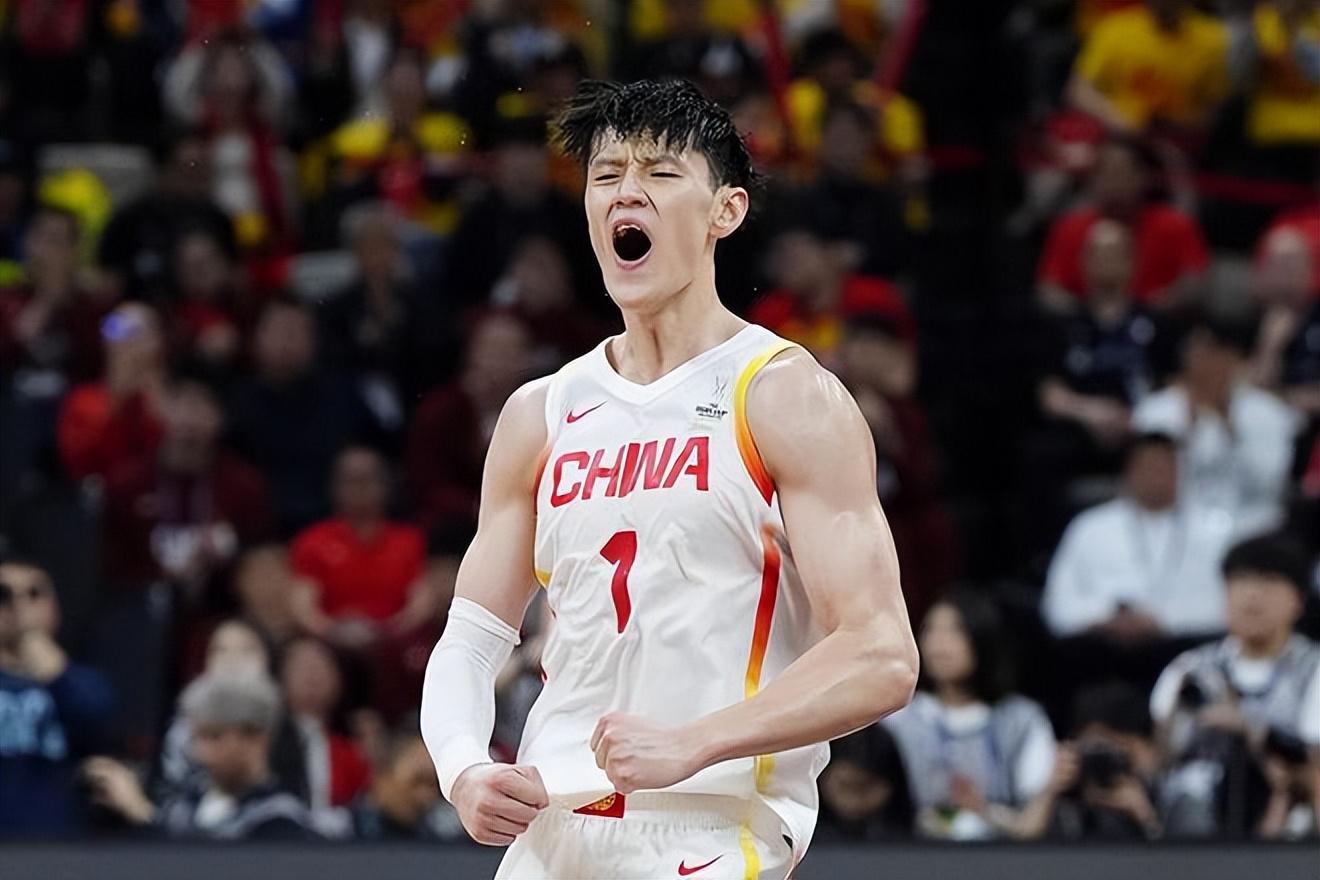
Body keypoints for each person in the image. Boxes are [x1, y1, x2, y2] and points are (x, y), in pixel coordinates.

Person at [421, 79, 918, 879]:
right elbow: (473, 639)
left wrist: (695, 742)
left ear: (726, 210)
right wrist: (461, 767)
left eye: (659, 173)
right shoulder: (540, 413)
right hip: (550, 832)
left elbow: (881, 653)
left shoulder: (782, 394)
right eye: (607, 174)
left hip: (709, 828)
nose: (627, 192)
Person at [1150, 533, 1320, 837]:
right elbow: (1160, 759)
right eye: (1240, 580)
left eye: (1268, 581)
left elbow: (1312, 767)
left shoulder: (1313, 669)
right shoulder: (1189, 669)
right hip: (1192, 835)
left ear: (1298, 599)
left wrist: (1250, 730)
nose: (1252, 595)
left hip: (1288, 833)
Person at [883, 592, 1058, 841]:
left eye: (956, 630)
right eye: (931, 629)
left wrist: (984, 811)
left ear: (983, 638)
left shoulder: (1022, 720)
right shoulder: (896, 717)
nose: (939, 643)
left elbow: (1033, 816)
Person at [290, 446, 438, 717]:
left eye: (368, 479)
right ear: (334, 487)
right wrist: (337, 632)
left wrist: (384, 632)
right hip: (335, 643)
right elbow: (303, 607)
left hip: (392, 643)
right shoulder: (313, 541)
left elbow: (422, 603)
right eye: (350, 480)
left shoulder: (408, 541)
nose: (359, 488)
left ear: (385, 485)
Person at [1043, 432, 1234, 641]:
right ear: (1129, 471)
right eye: (1147, 466)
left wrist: (1162, 621)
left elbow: (1228, 604)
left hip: (1184, 641)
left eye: (1164, 467)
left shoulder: (1216, 528)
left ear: (1181, 471)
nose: (1155, 476)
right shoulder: (1090, 527)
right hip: (1101, 644)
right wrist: (1110, 618)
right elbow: (1058, 604)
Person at [84, 671, 319, 839]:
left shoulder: (280, 822)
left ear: (256, 738)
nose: (201, 753)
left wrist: (143, 815)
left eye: (214, 737)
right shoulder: (183, 803)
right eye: (197, 738)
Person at [1133, 308, 1302, 538]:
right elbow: (1152, 482)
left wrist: (1229, 426)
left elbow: (1269, 483)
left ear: (1234, 357)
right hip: (1178, 530)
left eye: (1215, 352)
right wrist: (1189, 427)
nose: (1207, 363)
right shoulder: (1155, 410)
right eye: (1198, 352)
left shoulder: (1267, 411)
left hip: (1253, 526)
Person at [0, 558, 116, 837]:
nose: (19, 605)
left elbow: (97, 724)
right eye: (3, 595)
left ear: (56, 607)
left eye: (34, 594)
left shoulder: (86, 681)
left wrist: (41, 653)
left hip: (60, 845)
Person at [1036, 136, 1209, 311]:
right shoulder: (1070, 227)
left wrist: (1149, 314)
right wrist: (1088, 317)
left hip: (1158, 320)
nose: (1112, 184)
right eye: (1103, 173)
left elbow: (1195, 280)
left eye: (1120, 173)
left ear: (1142, 176)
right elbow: (1050, 287)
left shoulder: (1175, 225)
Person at [1067, 0, 1229, 136]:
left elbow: (1213, 107)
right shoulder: (1115, 29)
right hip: (1119, 134)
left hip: (1178, 140)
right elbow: (1079, 90)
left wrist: (1178, 123)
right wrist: (1116, 118)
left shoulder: (1213, 39)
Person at [348, 725, 460, 841]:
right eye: (418, 781)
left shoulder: (443, 836)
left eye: (433, 785)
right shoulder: (345, 831)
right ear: (384, 776)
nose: (427, 796)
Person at [816, 723, 914, 842]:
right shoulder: (827, 740)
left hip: (883, 833)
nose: (853, 801)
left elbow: (892, 787)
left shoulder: (882, 739)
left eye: (862, 789)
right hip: (824, 832)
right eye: (848, 787)